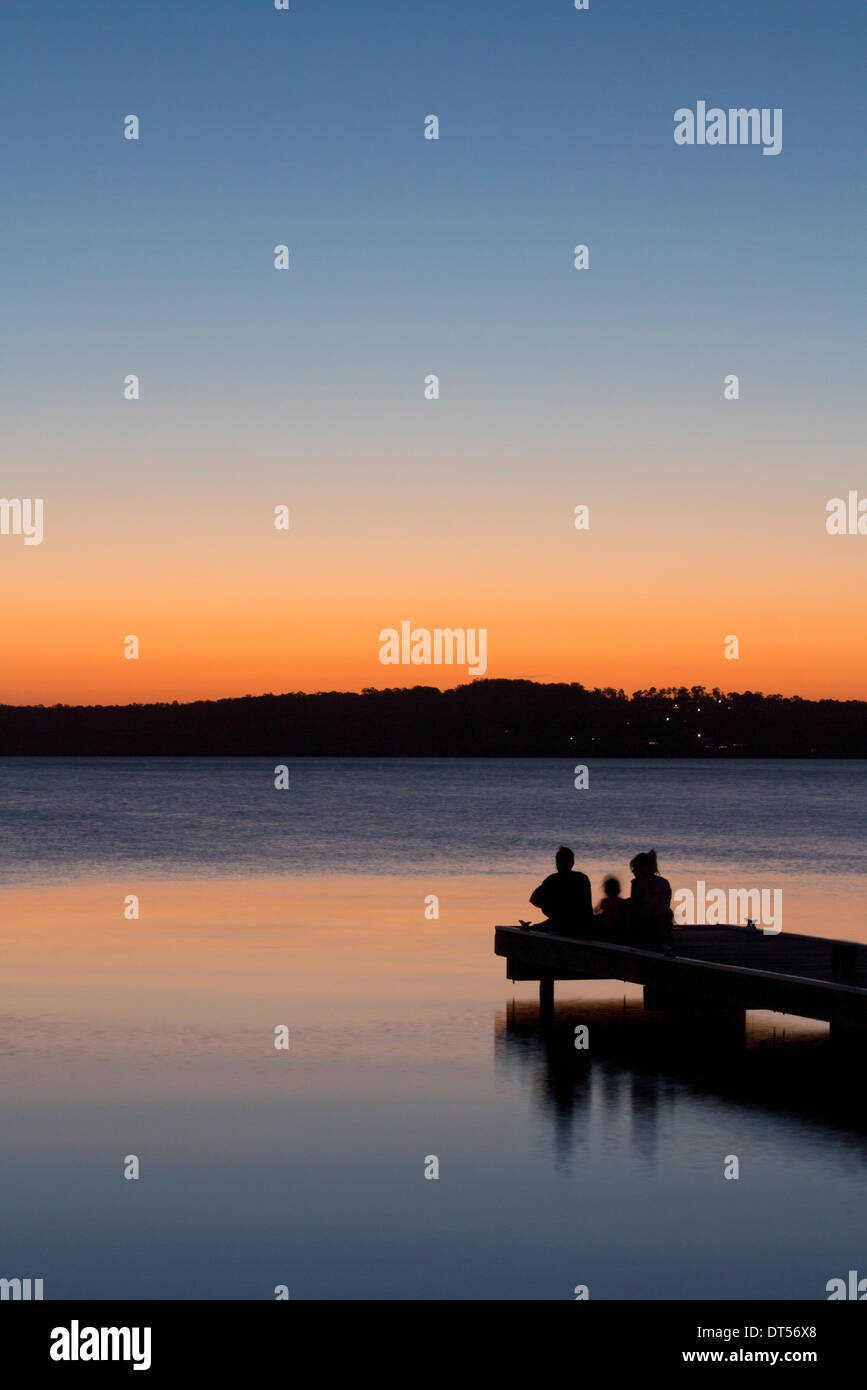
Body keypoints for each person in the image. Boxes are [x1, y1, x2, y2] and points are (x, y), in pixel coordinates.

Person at [529, 846, 593, 936]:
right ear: (572, 862)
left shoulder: (553, 880)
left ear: (557, 863)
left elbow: (533, 899)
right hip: (584, 925)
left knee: (544, 926)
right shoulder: (582, 878)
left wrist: (549, 909)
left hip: (562, 926)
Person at [628, 849, 674, 952]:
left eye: (634, 868)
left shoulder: (638, 883)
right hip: (662, 925)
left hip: (647, 927)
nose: (633, 871)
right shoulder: (664, 882)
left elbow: (635, 907)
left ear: (643, 868)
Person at [595, 875, 630, 941]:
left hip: (609, 925)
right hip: (617, 925)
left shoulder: (605, 901)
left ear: (605, 890)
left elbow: (596, 910)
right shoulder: (621, 901)